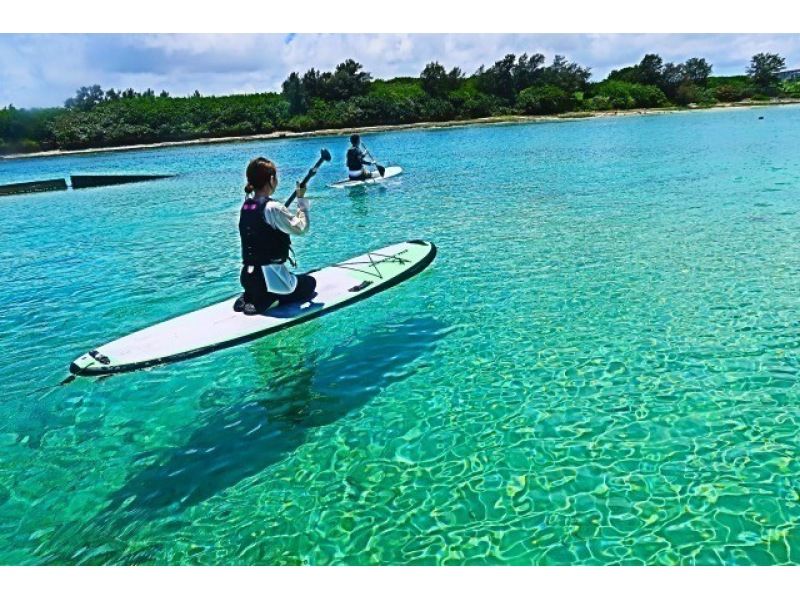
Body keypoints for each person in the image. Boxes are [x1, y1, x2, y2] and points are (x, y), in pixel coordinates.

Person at [234, 157, 317, 315]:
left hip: (248, 277)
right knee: (310, 283)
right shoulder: (273, 208)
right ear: (272, 179)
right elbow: (302, 228)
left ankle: (251, 296)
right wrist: (301, 200)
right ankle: (270, 299)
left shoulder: (246, 206)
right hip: (271, 278)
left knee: (293, 279)